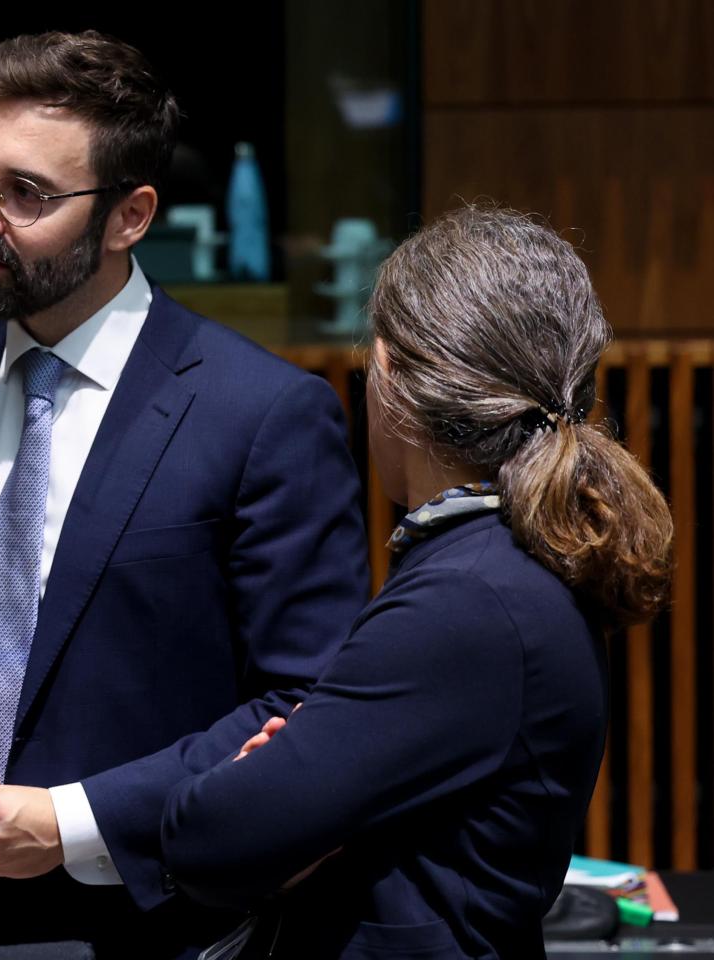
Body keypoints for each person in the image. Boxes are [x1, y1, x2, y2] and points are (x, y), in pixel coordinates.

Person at [0, 30, 371, 957]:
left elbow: (304, 702)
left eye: (27, 194)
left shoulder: (262, 414)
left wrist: (71, 822)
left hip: (153, 923)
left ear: (130, 216)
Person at [158, 205, 674, 959]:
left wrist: (257, 782)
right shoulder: (502, 561)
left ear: (390, 372)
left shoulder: (470, 597)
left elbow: (207, 840)